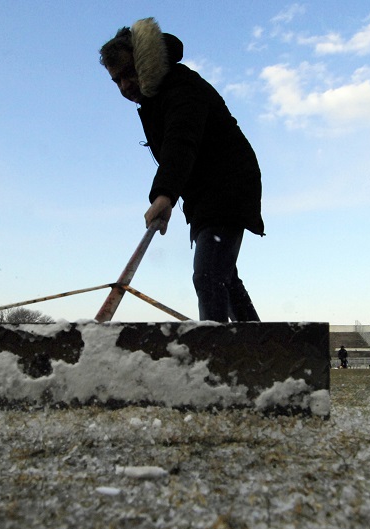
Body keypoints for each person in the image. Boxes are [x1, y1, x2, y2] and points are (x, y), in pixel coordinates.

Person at [99, 18, 265, 322]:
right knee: (224, 278)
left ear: (145, 61)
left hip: (228, 185)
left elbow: (181, 141)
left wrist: (164, 194)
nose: (124, 86)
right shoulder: (158, 97)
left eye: (129, 73)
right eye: (116, 81)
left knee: (209, 277)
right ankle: (263, 350)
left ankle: (216, 359)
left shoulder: (180, 87)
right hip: (205, 193)